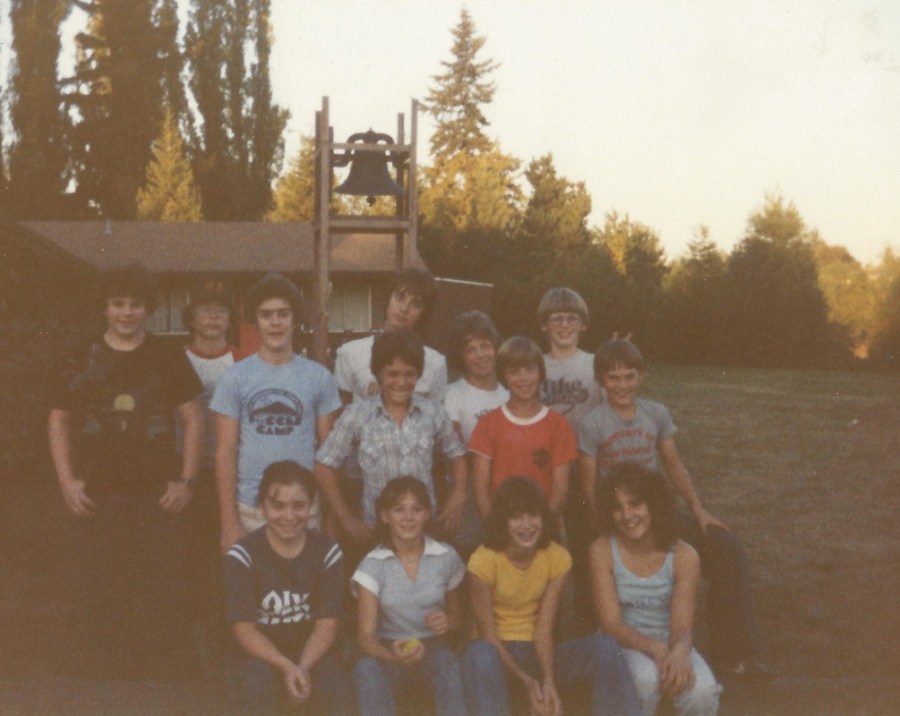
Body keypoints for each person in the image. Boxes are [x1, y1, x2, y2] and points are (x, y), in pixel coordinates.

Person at [48, 263, 203, 678]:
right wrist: (66, 480)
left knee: (160, 587)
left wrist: (187, 480)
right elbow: (59, 419)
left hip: (158, 493)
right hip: (98, 491)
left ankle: (158, 675)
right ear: (105, 306)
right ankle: (106, 674)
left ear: (147, 308)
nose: (127, 312)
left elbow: (192, 418)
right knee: (102, 585)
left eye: (136, 304)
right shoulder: (83, 355)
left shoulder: (167, 355)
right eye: (118, 303)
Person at [578, 338, 764, 678]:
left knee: (725, 547)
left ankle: (731, 652)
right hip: (621, 517)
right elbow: (588, 485)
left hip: (657, 515)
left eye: (629, 376)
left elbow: (674, 465)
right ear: (601, 380)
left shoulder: (655, 413)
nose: (622, 385)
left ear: (642, 376)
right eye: (613, 378)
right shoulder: (593, 423)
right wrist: (602, 526)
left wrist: (698, 509)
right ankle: (613, 658)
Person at [462, 477, 639, 716]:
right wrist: (527, 683)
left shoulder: (557, 557)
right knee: (481, 653)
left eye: (533, 515)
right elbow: (488, 636)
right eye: (516, 517)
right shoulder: (482, 561)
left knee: (605, 646)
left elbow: (544, 630)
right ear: (503, 521)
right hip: (496, 658)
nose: (526, 525)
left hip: (536, 651)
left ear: (544, 518)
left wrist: (548, 681)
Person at [212, 273, 342, 553]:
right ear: (255, 322)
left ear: (295, 319)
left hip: (304, 509)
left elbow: (330, 454)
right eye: (266, 315)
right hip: (250, 509)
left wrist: (331, 520)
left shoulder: (319, 378)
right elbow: (225, 450)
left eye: (283, 314)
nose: (275, 323)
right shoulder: (234, 378)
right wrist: (229, 523)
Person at [589, 462, 721, 715]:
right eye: (618, 508)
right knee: (645, 680)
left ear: (654, 504)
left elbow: (682, 627)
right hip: (622, 642)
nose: (627, 516)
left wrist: (680, 652)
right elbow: (611, 624)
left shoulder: (684, 555)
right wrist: (656, 650)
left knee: (702, 691)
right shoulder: (602, 550)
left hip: (670, 639)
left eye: (636, 504)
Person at [316, 330, 467, 547]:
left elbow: (457, 453)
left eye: (409, 374)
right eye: (392, 374)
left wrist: (458, 495)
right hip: (377, 532)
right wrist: (347, 520)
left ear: (418, 375)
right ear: (378, 374)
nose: (401, 382)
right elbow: (324, 465)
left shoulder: (433, 413)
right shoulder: (358, 415)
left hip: (424, 529)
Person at [223, 461, 352, 714]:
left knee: (338, 688)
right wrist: (285, 666)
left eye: (299, 505)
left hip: (312, 651)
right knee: (255, 683)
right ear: (262, 507)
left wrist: (302, 667)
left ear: (311, 506)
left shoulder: (327, 552)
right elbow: (244, 630)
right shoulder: (242, 555)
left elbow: (327, 625)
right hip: (261, 653)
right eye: (278, 506)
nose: (289, 516)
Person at [351, 477, 467, 716]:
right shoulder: (373, 564)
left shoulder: (445, 556)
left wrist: (447, 621)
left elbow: (458, 617)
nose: (408, 518)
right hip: (389, 646)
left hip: (433, 646)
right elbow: (365, 637)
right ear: (385, 516)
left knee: (447, 662)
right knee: (365, 669)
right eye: (399, 509)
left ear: (427, 513)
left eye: (417, 509)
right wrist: (393, 655)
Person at [537, 287, 605, 635]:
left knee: (584, 550)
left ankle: (586, 629)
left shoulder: (594, 364)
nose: (564, 324)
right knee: (540, 550)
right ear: (544, 326)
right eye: (556, 318)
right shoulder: (536, 365)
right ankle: (541, 631)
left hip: (583, 470)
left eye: (571, 318)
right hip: (542, 470)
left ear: (583, 325)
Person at [179, 287, 238, 665]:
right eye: (206, 311)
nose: (213, 318)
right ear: (192, 318)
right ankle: (195, 635)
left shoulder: (242, 360)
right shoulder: (178, 360)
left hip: (230, 471)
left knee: (229, 552)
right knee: (193, 556)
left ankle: (229, 630)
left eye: (221, 311)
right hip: (188, 473)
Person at [468, 337, 577, 521]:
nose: (523, 378)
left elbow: (559, 492)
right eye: (514, 372)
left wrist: (542, 529)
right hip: (501, 528)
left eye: (529, 370)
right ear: (504, 376)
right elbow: (481, 491)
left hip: (543, 527)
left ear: (540, 373)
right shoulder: (488, 423)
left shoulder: (559, 425)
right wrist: (496, 529)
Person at [443, 310, 508, 555]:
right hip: (467, 493)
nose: (480, 355)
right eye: (471, 349)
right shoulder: (454, 394)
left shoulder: (509, 395)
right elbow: (455, 449)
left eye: (485, 345)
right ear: (461, 356)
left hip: (503, 492)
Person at [334, 267, 447, 404]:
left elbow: (435, 418)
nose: (404, 308)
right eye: (400, 297)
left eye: (415, 304)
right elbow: (341, 415)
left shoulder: (435, 363)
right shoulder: (350, 353)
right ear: (388, 298)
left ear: (424, 313)